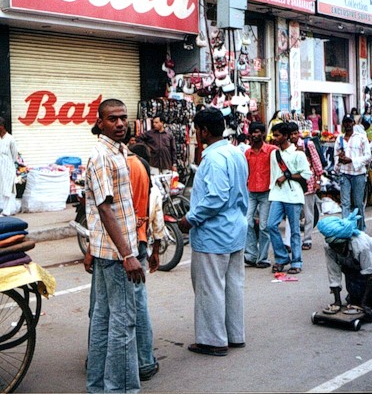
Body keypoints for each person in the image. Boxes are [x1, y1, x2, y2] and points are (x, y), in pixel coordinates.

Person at [84, 127, 161, 383]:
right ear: (100, 122)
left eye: (122, 118)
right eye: (112, 118)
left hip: (114, 248)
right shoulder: (103, 156)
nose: (119, 123)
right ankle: (120, 388)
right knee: (123, 321)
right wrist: (128, 255)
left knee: (104, 318)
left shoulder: (120, 155)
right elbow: (104, 209)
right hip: (118, 252)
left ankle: (98, 383)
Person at [178, 108, 248, 357]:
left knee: (210, 288)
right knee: (232, 285)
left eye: (197, 130)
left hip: (214, 233)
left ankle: (214, 340)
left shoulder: (214, 159)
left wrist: (190, 219)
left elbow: (216, 197)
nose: (196, 135)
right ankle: (234, 334)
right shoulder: (236, 153)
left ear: (204, 131)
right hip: (235, 228)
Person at [317, 210, 372, 313]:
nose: (335, 249)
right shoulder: (329, 248)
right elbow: (333, 273)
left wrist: (363, 304)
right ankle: (359, 297)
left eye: (338, 246)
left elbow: (369, 273)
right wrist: (337, 302)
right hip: (351, 260)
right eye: (333, 246)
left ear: (346, 241)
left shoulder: (361, 246)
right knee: (353, 298)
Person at [267, 122, 312, 274]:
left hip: (293, 196)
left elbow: (306, 174)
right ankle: (281, 257)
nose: (275, 138)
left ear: (285, 136)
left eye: (277, 135)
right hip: (277, 194)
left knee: (294, 231)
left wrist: (287, 176)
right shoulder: (274, 154)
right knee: (271, 225)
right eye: (274, 135)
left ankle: (297, 261)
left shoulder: (298, 154)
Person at [243, 122, 277, 268]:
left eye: (258, 132)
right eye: (253, 132)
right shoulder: (247, 153)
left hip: (266, 192)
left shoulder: (271, 151)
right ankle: (251, 255)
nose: (255, 135)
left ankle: (263, 258)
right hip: (251, 191)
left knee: (264, 226)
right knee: (246, 222)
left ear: (263, 134)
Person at [334, 115, 371, 231]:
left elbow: (368, 156)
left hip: (358, 174)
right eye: (346, 122)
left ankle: (361, 229)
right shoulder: (339, 139)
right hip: (345, 173)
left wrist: (352, 160)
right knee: (345, 203)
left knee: (358, 203)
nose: (348, 124)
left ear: (353, 124)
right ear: (343, 124)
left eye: (350, 122)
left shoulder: (361, 137)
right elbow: (336, 156)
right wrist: (339, 161)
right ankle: (346, 229)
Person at [0, 117, 18, 216]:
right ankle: (1, 208)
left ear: (2, 127)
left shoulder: (10, 139)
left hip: (7, 167)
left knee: (7, 189)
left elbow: (15, 155)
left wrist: (9, 164)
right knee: (1, 188)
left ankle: (6, 211)